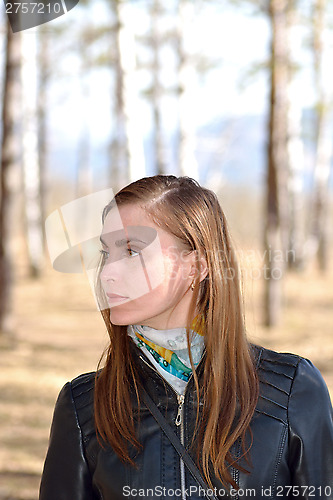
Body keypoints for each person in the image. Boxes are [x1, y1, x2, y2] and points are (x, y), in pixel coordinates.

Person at [39, 175, 333, 500]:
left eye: (132, 251)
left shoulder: (292, 391)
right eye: (107, 252)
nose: (107, 271)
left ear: (196, 267)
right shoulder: (84, 408)